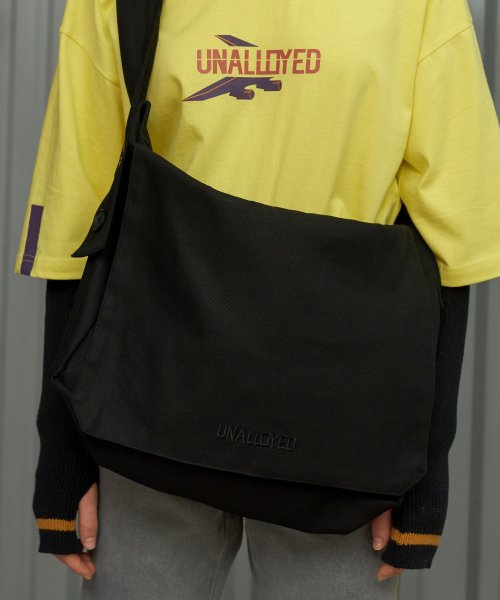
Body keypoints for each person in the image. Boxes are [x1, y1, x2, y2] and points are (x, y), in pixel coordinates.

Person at [12, 0, 500, 598]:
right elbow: (77, 216)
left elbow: (452, 239)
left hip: (339, 428)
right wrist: (63, 456)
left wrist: (422, 472)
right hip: (152, 402)